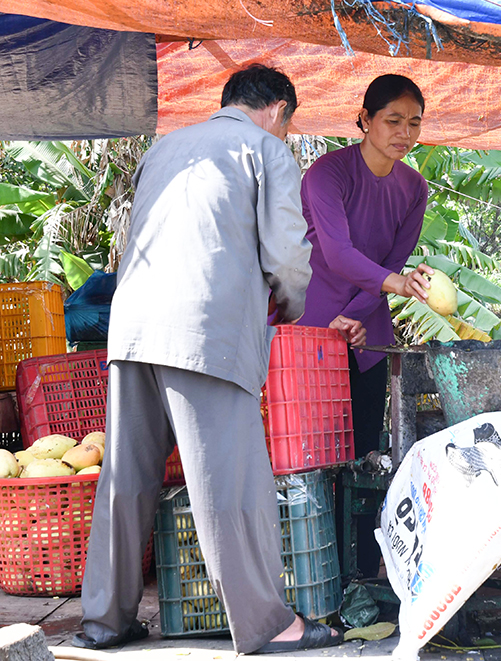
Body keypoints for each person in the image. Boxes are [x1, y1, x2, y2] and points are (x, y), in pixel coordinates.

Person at [74, 64, 347, 654]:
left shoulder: (167, 146)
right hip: (205, 332)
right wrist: (292, 306)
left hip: (131, 328)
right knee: (230, 483)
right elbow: (286, 255)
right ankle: (268, 626)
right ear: (278, 110)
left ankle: (104, 621)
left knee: (124, 478)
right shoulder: (265, 150)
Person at [297, 74, 432, 578]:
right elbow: (337, 253)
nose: (404, 132)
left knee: (365, 454)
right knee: (313, 454)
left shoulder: (414, 187)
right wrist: (382, 292)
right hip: (312, 326)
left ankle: (361, 568)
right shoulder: (327, 174)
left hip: (368, 330)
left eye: (414, 123)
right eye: (392, 120)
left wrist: (355, 316)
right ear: (365, 120)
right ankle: (313, 568)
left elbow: (395, 258)